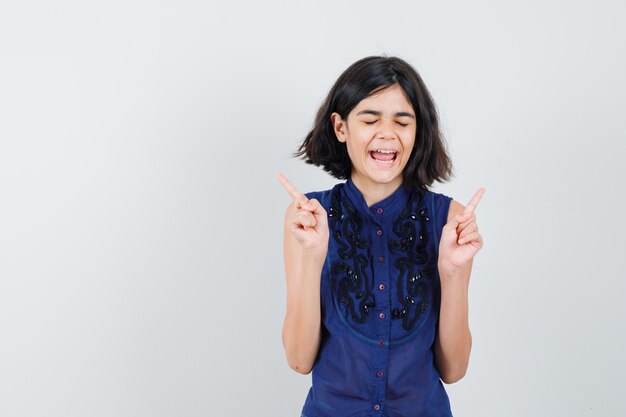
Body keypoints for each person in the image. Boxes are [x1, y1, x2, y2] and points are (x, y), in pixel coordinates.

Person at [278, 55, 484, 417]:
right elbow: (298, 359)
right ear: (341, 128)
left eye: (402, 121)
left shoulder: (450, 220)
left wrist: (451, 274)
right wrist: (312, 260)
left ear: (417, 130)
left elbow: (454, 369)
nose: (387, 134)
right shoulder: (308, 217)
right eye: (370, 119)